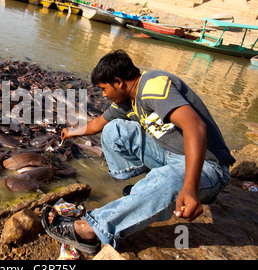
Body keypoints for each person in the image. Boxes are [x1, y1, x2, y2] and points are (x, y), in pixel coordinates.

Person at [42, 49, 235, 254]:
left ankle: (91, 230)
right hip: (171, 157)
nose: (104, 95)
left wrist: (189, 186)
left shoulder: (153, 85)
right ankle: (141, 193)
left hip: (209, 167)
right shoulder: (128, 102)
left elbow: (195, 127)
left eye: (104, 89)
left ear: (118, 82)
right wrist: (71, 132)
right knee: (113, 130)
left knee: (167, 181)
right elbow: (98, 123)